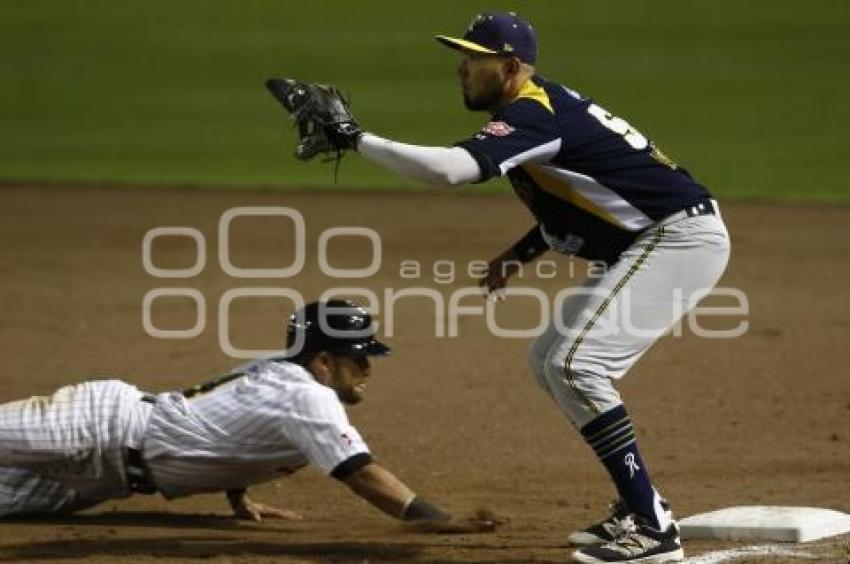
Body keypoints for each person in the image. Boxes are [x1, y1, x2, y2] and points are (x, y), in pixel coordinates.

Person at [284, 12, 731, 563]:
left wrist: (355, 138)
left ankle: (653, 526)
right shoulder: (534, 110)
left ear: (512, 67)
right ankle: (636, 506)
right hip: (660, 238)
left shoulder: (532, 114)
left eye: (475, 59)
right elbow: (577, 198)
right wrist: (517, 257)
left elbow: (450, 171)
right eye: (463, 57)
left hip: (677, 239)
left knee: (576, 364)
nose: (463, 69)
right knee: (550, 359)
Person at [0, 299, 468, 529]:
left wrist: (238, 494)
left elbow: (232, 426)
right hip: (98, 424)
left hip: (108, 477)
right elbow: (361, 474)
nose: (367, 368)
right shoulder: (309, 397)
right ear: (324, 362)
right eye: (359, 358)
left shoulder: (283, 378)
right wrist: (436, 520)